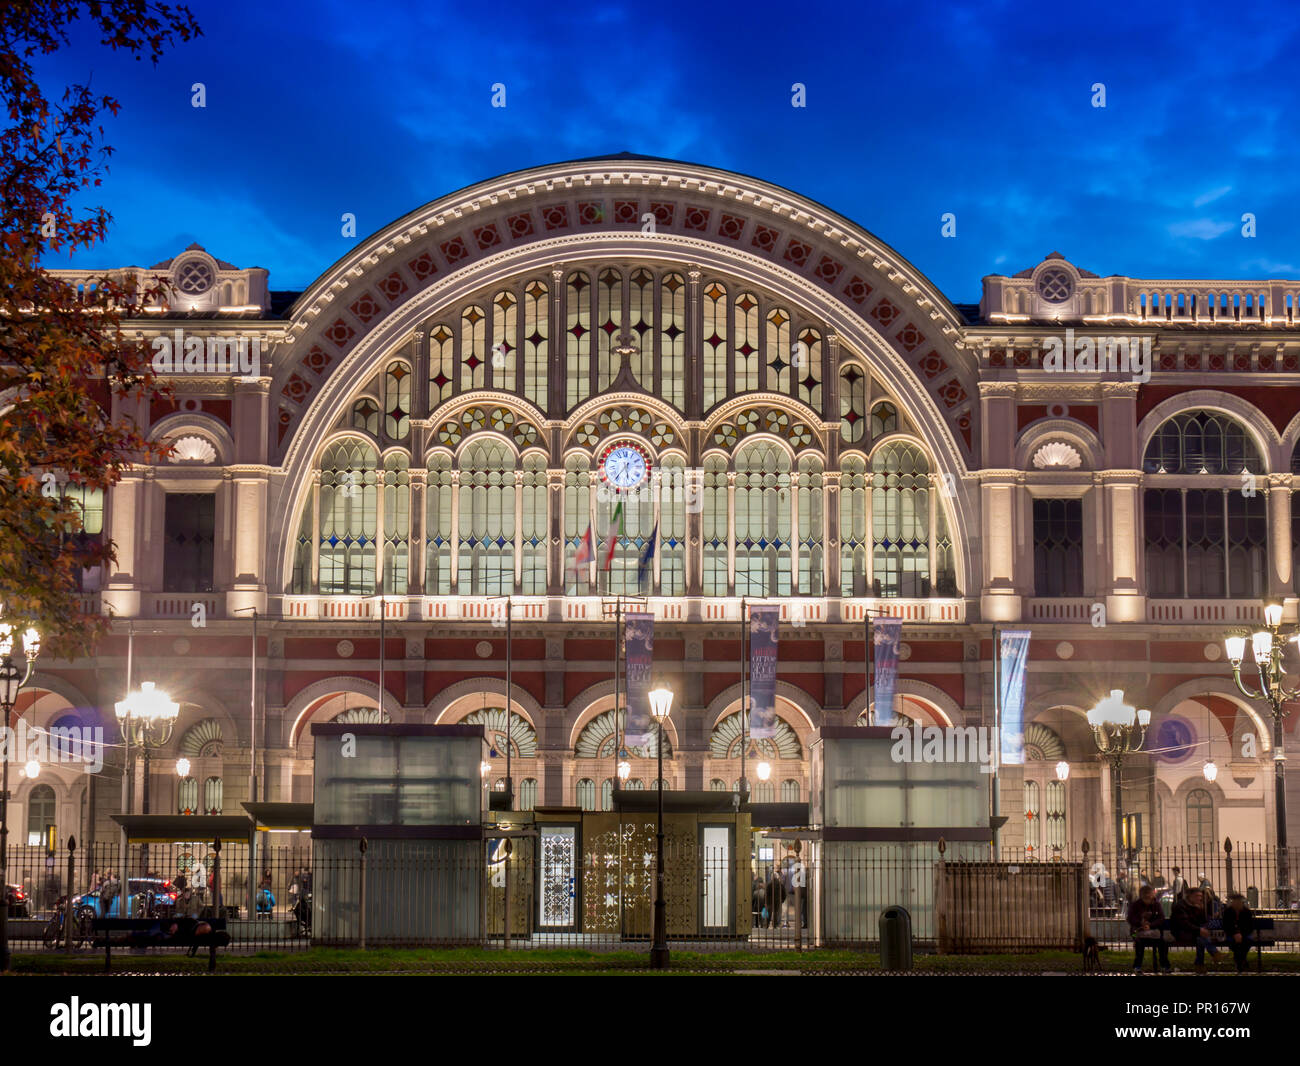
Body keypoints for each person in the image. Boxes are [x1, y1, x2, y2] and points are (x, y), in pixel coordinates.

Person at [1172, 887, 1220, 972]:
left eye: (1201, 896)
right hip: (1181, 932)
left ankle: (1199, 965)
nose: (1200, 898)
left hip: (1193, 932)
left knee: (1200, 938)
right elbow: (1184, 924)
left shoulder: (1196, 905)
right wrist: (1199, 930)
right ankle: (1213, 953)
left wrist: (1200, 910)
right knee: (1200, 937)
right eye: (1197, 896)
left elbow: (1202, 921)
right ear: (1189, 896)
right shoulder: (1180, 906)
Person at [1127, 884, 1170, 973]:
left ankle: (1164, 965)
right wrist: (1140, 923)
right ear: (1141, 896)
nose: (1148, 900)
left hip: (1153, 931)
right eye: (1146, 897)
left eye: (1149, 897)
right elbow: (1130, 918)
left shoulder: (1156, 904)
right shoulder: (1135, 905)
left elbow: (1161, 918)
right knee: (1138, 941)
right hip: (1136, 931)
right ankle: (1137, 966)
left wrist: (1151, 925)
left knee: (1162, 942)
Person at [1221, 893, 1256, 973]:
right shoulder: (1228, 912)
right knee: (1233, 943)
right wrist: (1235, 934)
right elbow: (1226, 926)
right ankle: (1242, 961)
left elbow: (1249, 927)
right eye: (1235, 902)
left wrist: (1241, 934)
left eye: (1239, 902)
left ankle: (1239, 961)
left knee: (1248, 941)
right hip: (1231, 935)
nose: (1237, 904)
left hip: (1245, 934)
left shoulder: (1246, 912)